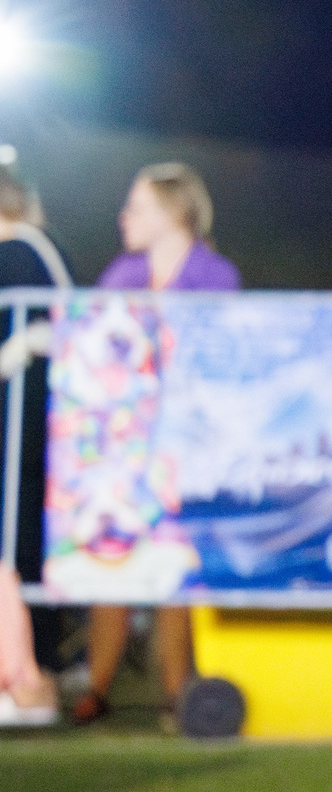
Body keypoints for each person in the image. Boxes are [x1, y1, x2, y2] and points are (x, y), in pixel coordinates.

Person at [76, 163, 240, 727]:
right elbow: (90, 341)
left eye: (138, 207)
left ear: (175, 215)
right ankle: (95, 688)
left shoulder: (215, 276)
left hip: (188, 446)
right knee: (111, 558)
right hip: (122, 445)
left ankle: (179, 694)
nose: (125, 217)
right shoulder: (123, 273)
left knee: (175, 568)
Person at [0, 165, 71, 723]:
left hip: (24, 433)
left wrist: (17, 349)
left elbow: (52, 329)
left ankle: (33, 684)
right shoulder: (34, 250)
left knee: (19, 551)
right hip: (24, 432)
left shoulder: (23, 252)